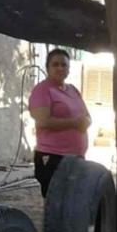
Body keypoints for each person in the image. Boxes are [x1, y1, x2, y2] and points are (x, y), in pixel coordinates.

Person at [29, 48, 91, 197]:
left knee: (72, 202)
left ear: (69, 68)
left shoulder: (73, 90)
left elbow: (87, 115)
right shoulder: (42, 90)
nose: (60, 68)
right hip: (53, 157)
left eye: (64, 65)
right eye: (55, 64)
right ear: (47, 67)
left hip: (76, 157)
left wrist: (86, 121)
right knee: (56, 203)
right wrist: (75, 123)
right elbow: (43, 121)